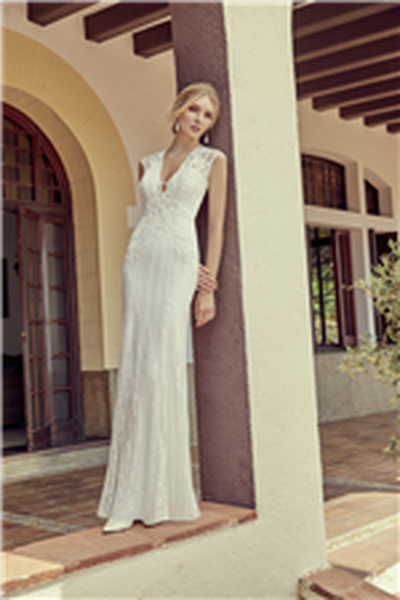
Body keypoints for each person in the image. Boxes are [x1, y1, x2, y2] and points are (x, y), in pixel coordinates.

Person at [97, 82, 228, 533]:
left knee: (161, 368)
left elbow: (213, 226)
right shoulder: (148, 163)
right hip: (139, 262)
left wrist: (207, 284)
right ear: (178, 110)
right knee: (136, 368)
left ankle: (162, 494)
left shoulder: (213, 162)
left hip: (179, 265)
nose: (198, 119)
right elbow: (148, 216)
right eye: (193, 109)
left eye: (207, 115)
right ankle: (125, 498)